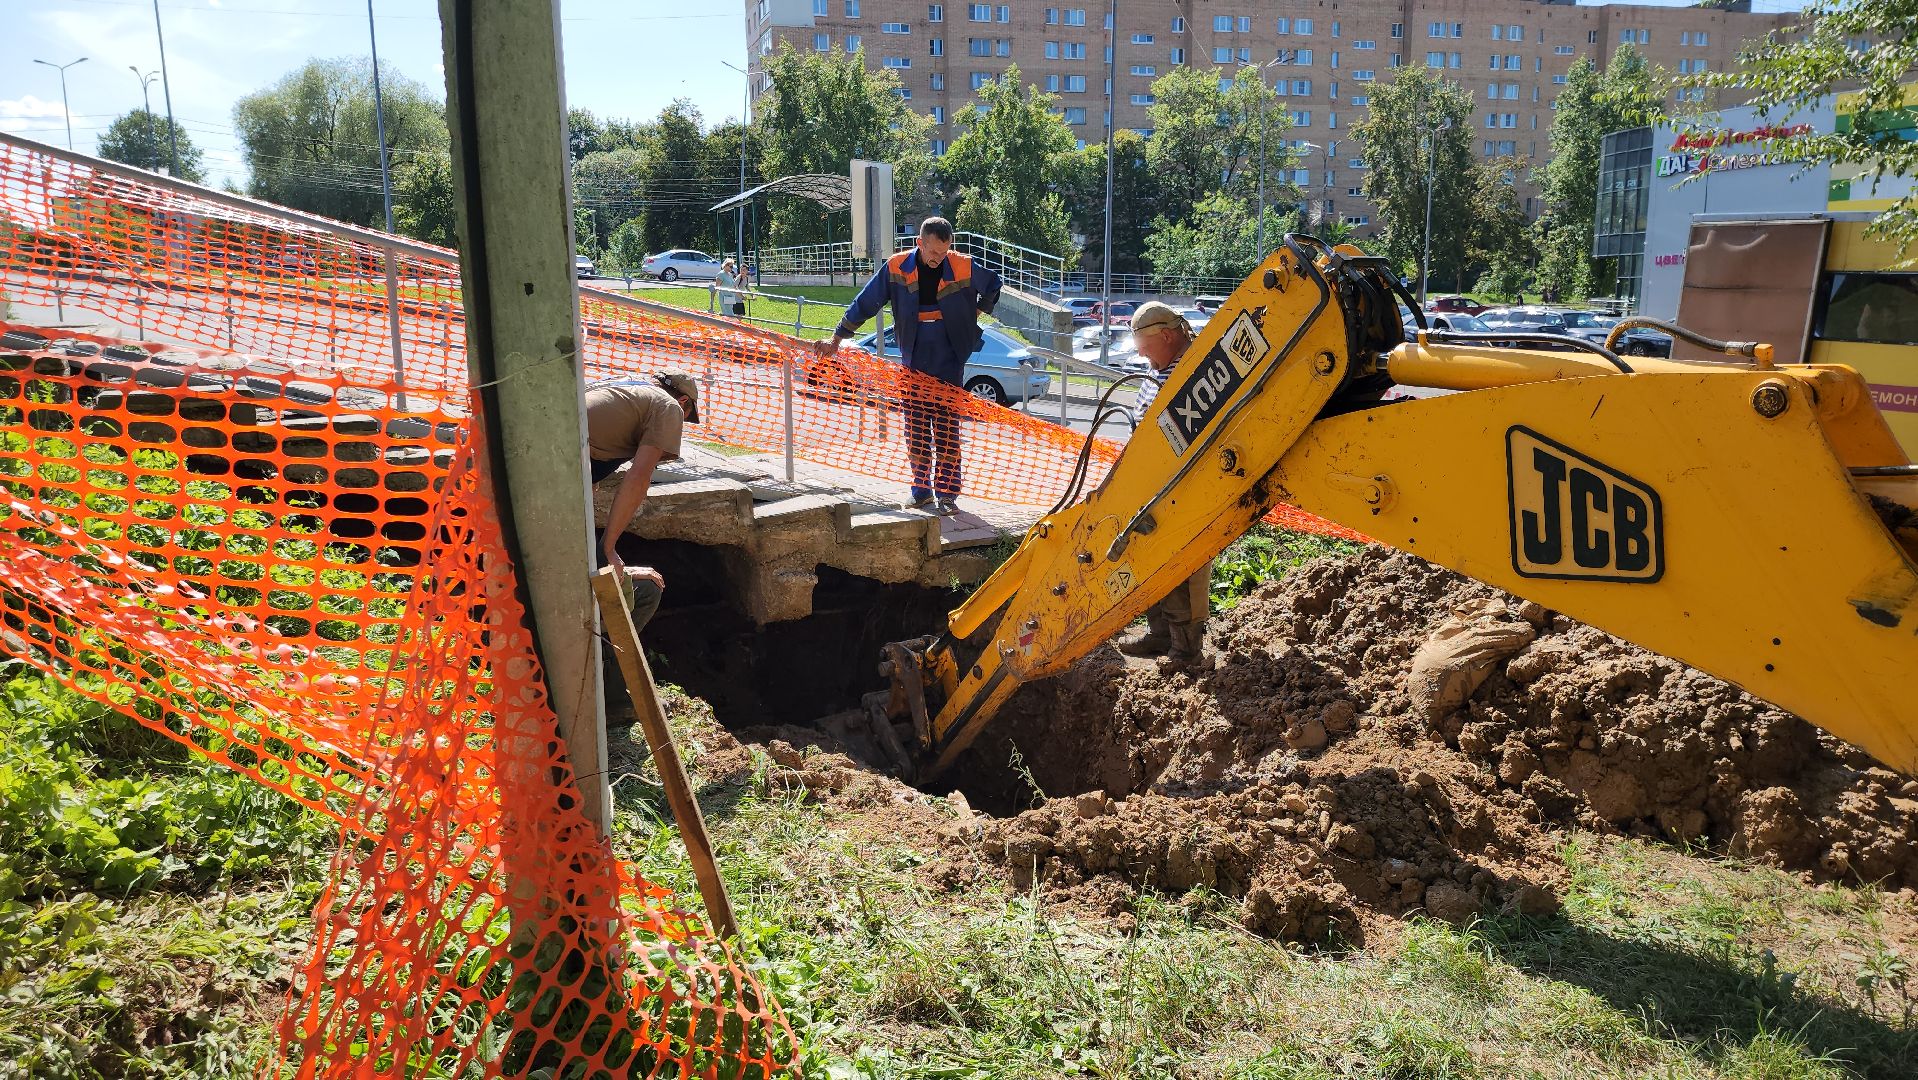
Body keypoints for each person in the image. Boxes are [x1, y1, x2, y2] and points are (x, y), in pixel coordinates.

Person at [813, 217, 1003, 515]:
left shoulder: (962, 265)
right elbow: (866, 303)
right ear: (920, 243)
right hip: (913, 360)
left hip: (949, 358)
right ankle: (921, 491)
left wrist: (976, 312)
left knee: (947, 431)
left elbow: (993, 283)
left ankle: (948, 495)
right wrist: (837, 338)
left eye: (945, 252)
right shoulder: (896, 267)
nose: (939, 259)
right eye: (934, 253)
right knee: (915, 430)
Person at [1116, 301, 1216, 673]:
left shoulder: (1193, 371)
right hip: (1151, 481)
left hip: (1182, 483)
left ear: (1168, 336)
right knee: (1147, 554)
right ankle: (1160, 633)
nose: (1140, 352)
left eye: (1144, 343)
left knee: (1181, 560)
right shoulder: (1158, 367)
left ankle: (1186, 649)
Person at [583, 370, 700, 637]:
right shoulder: (669, 406)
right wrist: (609, 548)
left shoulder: (621, 387)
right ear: (683, 401)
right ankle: (602, 665)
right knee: (637, 598)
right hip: (559, 468)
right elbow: (639, 477)